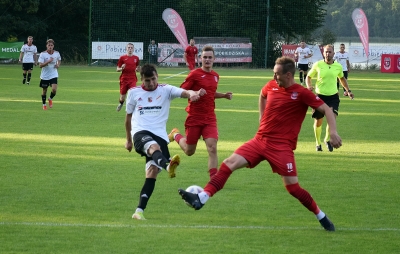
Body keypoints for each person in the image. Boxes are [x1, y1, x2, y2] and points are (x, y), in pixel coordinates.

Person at [178, 56, 342, 231]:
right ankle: (202, 198)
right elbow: (263, 94)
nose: (274, 77)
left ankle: (321, 216)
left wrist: (332, 132)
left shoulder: (301, 93)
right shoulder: (271, 86)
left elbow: (326, 109)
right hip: (259, 140)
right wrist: (261, 117)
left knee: (293, 188)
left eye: (277, 74)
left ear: (288, 75)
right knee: (228, 164)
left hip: (281, 148)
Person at [125, 64, 205, 220]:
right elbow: (128, 118)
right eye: (147, 80)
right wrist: (128, 140)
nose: (151, 83)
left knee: (152, 172)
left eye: (153, 79)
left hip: (160, 136)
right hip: (140, 133)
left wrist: (192, 94)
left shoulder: (166, 89)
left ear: (157, 76)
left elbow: (184, 92)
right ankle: (168, 165)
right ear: (142, 79)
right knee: (153, 147)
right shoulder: (134, 93)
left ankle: (139, 211)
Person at [168, 45, 232, 179]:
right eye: (205, 57)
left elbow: (211, 94)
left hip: (209, 118)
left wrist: (224, 95)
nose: (207, 60)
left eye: (210, 57)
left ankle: (214, 179)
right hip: (194, 117)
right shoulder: (194, 74)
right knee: (189, 151)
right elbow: (181, 91)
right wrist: (194, 93)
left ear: (214, 59)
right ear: (200, 59)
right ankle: (175, 135)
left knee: (212, 147)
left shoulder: (215, 76)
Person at [306, 44, 354, 152]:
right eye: (326, 52)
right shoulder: (318, 65)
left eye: (330, 52)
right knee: (319, 121)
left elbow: (342, 78)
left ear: (333, 53)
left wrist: (348, 91)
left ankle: (327, 139)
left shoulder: (338, 66)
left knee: (332, 118)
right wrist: (309, 86)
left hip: (333, 97)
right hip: (319, 96)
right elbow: (308, 76)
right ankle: (318, 143)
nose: (328, 54)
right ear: (323, 53)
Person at [38, 39, 61, 110]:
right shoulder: (43, 54)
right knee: (44, 91)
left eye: (51, 45)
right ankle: (44, 104)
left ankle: (50, 99)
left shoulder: (56, 53)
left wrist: (58, 65)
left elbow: (59, 60)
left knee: (54, 89)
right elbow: (40, 65)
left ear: (53, 46)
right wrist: (48, 61)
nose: (50, 47)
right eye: (49, 45)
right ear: (46, 46)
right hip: (45, 76)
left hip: (53, 74)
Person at [116, 43, 140, 112]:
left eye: (131, 48)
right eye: (128, 47)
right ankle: (121, 103)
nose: (130, 49)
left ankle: (132, 109)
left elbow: (137, 68)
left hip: (133, 79)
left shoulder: (136, 58)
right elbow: (117, 69)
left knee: (133, 94)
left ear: (133, 49)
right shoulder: (122, 58)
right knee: (122, 97)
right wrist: (121, 68)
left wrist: (138, 69)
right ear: (126, 49)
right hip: (124, 79)